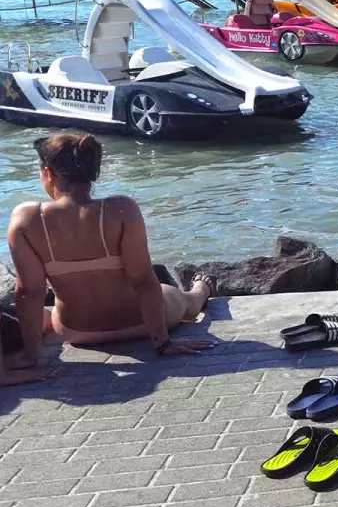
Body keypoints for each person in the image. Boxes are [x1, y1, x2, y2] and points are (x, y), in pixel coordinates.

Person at [7, 134, 216, 367]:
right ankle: (201, 289)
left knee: (45, 312)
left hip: (76, 332)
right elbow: (144, 279)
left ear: (48, 173)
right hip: (140, 325)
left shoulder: (27, 219)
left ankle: (200, 290)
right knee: (181, 300)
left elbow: (29, 292)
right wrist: (163, 343)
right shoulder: (121, 209)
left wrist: (32, 356)